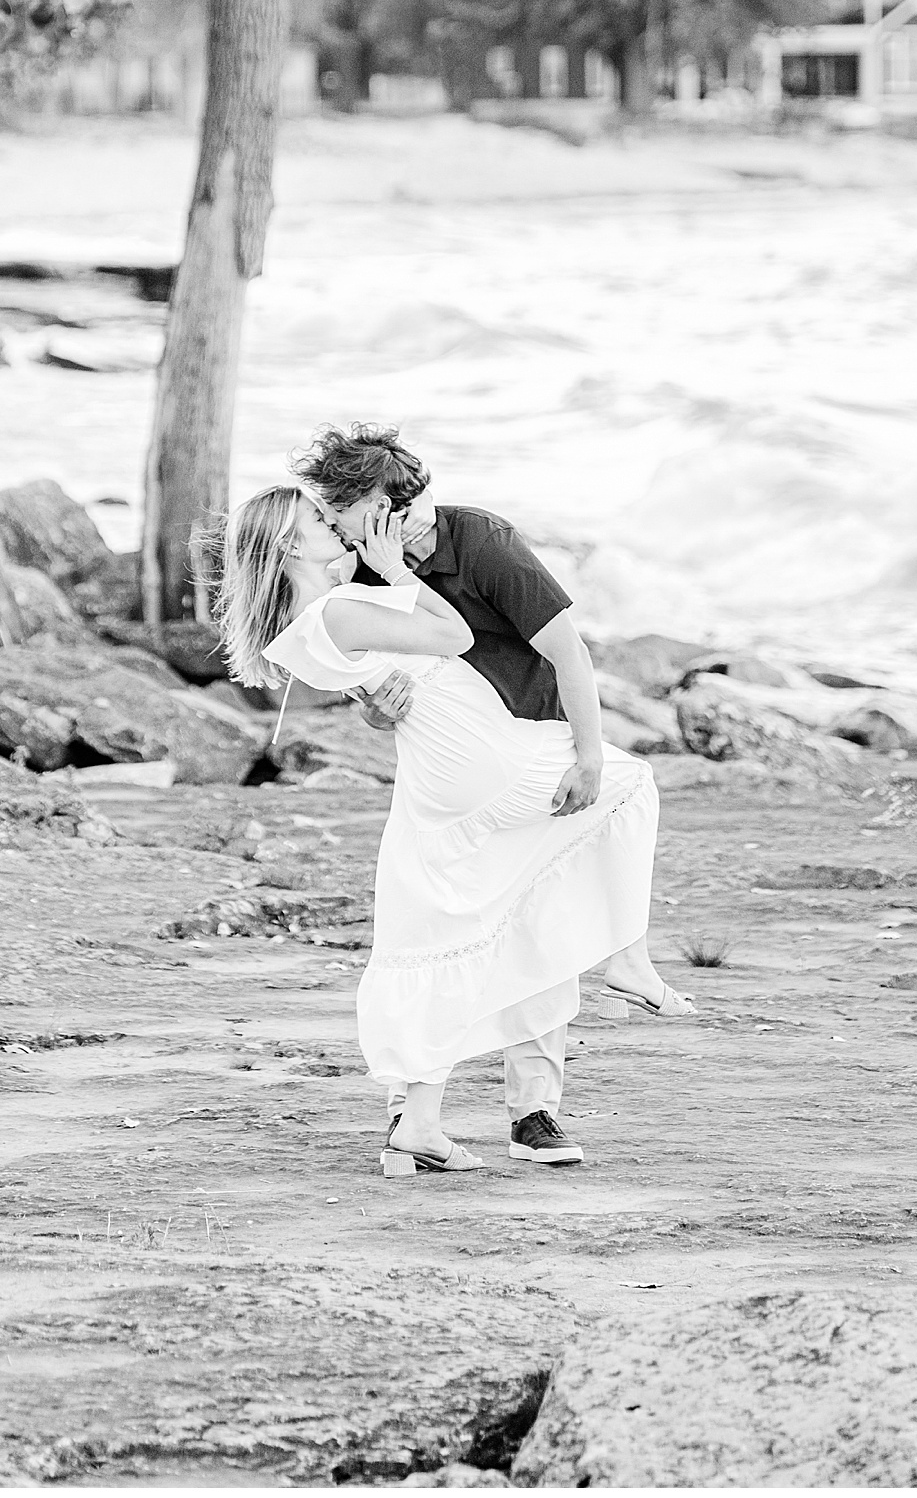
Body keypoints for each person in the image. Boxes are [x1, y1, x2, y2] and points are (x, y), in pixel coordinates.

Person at [217, 478, 689, 1178]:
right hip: (477, 759)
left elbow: (383, 681)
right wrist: (396, 572)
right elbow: (454, 636)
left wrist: (377, 682)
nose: (340, 525)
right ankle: (624, 953)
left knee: (446, 932)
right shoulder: (348, 601)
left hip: (439, 773)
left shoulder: (320, 613)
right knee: (627, 786)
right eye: (319, 518)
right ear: (292, 542)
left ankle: (422, 1123)